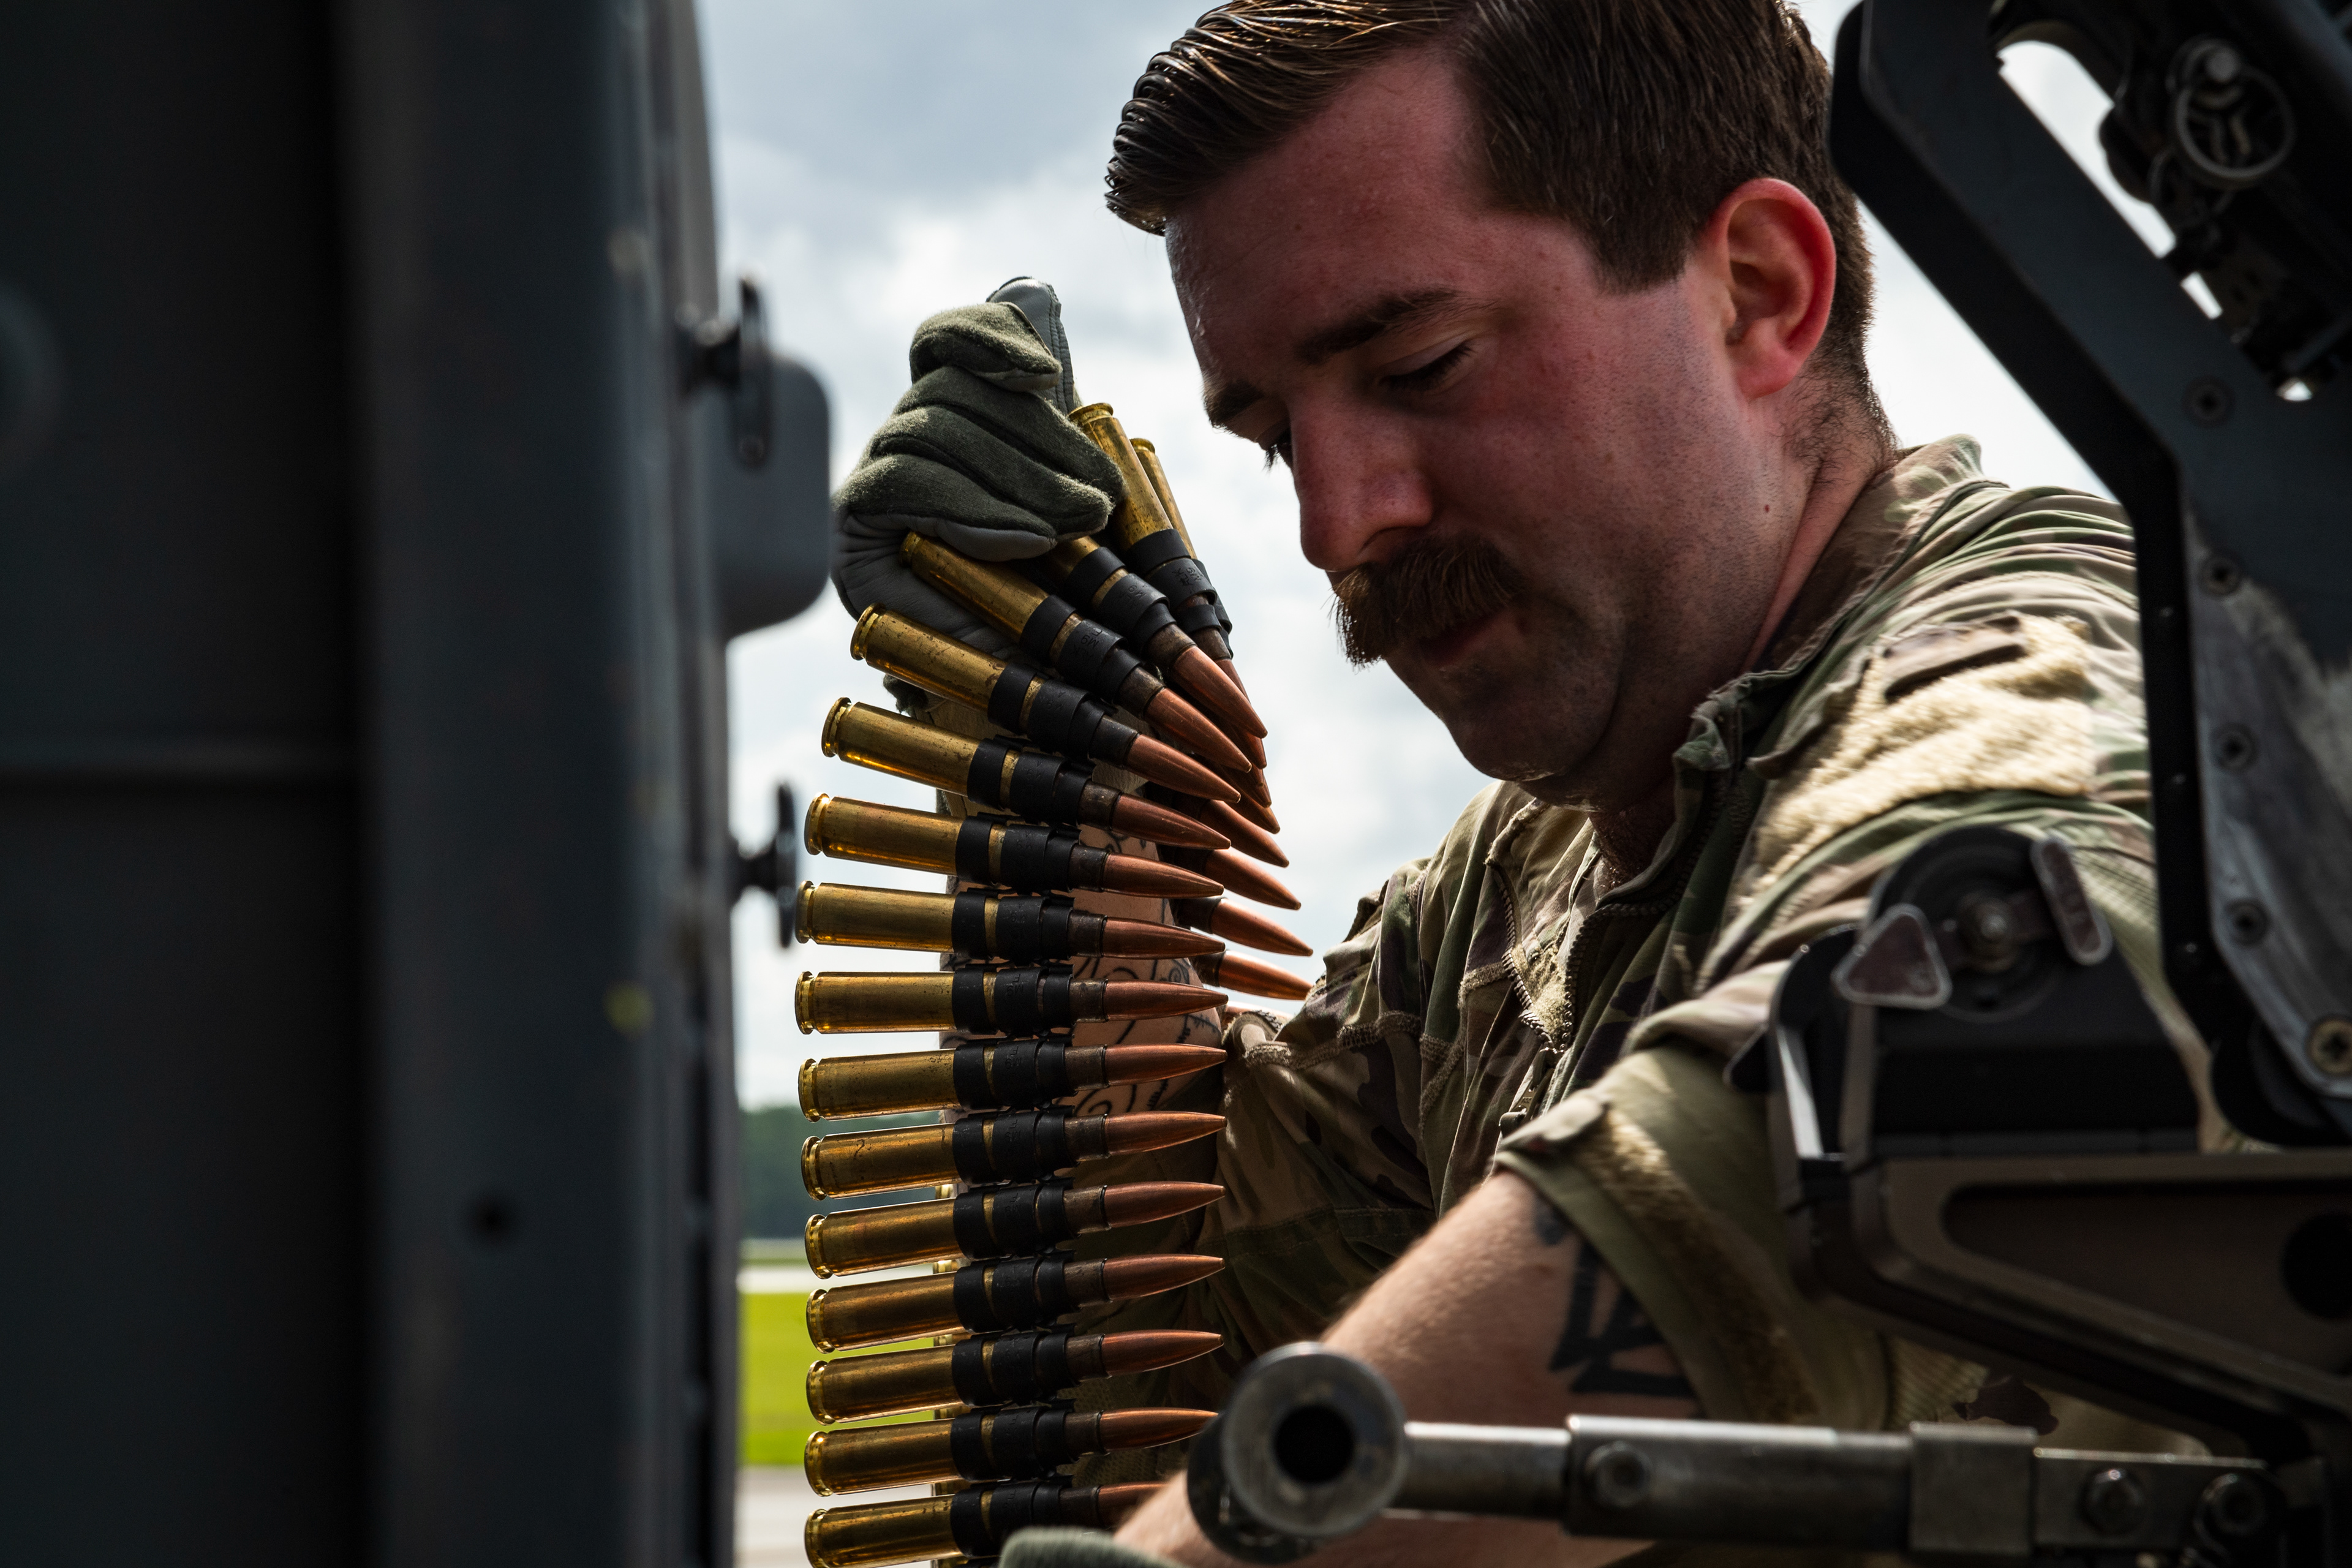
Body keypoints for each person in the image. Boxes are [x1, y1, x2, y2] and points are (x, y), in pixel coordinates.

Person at [830, 3, 2226, 1564]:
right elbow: (1165, 1307)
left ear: (1761, 293)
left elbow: (1977, 1036)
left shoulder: (2035, 661)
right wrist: (1052, 750)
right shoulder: (1524, 876)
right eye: (1278, 438)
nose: (1337, 524)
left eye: (1420, 365)